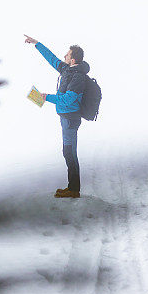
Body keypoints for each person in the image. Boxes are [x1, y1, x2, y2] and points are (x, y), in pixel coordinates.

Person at [24, 34, 89, 198]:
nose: (64, 56)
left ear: (73, 60)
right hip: (65, 118)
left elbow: (67, 100)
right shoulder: (68, 69)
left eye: (67, 55)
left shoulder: (78, 77)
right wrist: (37, 44)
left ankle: (74, 190)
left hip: (70, 119)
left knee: (69, 153)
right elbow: (52, 59)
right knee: (68, 152)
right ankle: (72, 188)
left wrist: (47, 97)